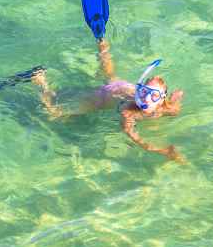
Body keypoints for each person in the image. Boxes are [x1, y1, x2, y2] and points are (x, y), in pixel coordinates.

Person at [28, 38, 185, 162]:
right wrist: (161, 150)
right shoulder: (128, 112)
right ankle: (40, 81)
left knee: (111, 77)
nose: (147, 98)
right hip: (103, 97)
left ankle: (102, 45)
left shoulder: (168, 108)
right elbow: (135, 138)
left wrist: (176, 97)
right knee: (55, 114)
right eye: (144, 92)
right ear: (140, 90)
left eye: (154, 96)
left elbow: (175, 106)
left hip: (122, 86)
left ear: (162, 100)